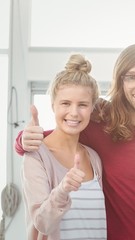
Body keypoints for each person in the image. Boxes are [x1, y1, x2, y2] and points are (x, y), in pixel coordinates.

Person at [16, 44, 135, 240]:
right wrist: (23, 140)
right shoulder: (102, 127)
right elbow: (63, 133)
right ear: (120, 81)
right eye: (132, 77)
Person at [21, 54, 106, 240]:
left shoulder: (93, 158)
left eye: (82, 104)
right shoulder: (36, 156)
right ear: (53, 105)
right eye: (65, 103)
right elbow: (42, 223)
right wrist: (63, 189)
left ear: (92, 108)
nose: (74, 113)